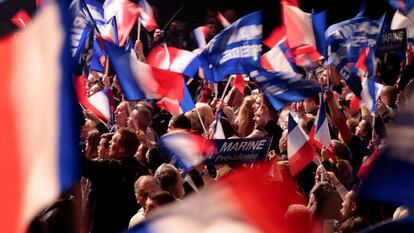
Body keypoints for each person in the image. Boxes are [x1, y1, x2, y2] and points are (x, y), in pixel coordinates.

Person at [82, 128, 142, 233]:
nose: (109, 143)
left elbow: (83, 165)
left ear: (121, 149)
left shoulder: (111, 168)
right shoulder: (143, 170)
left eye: (113, 141)